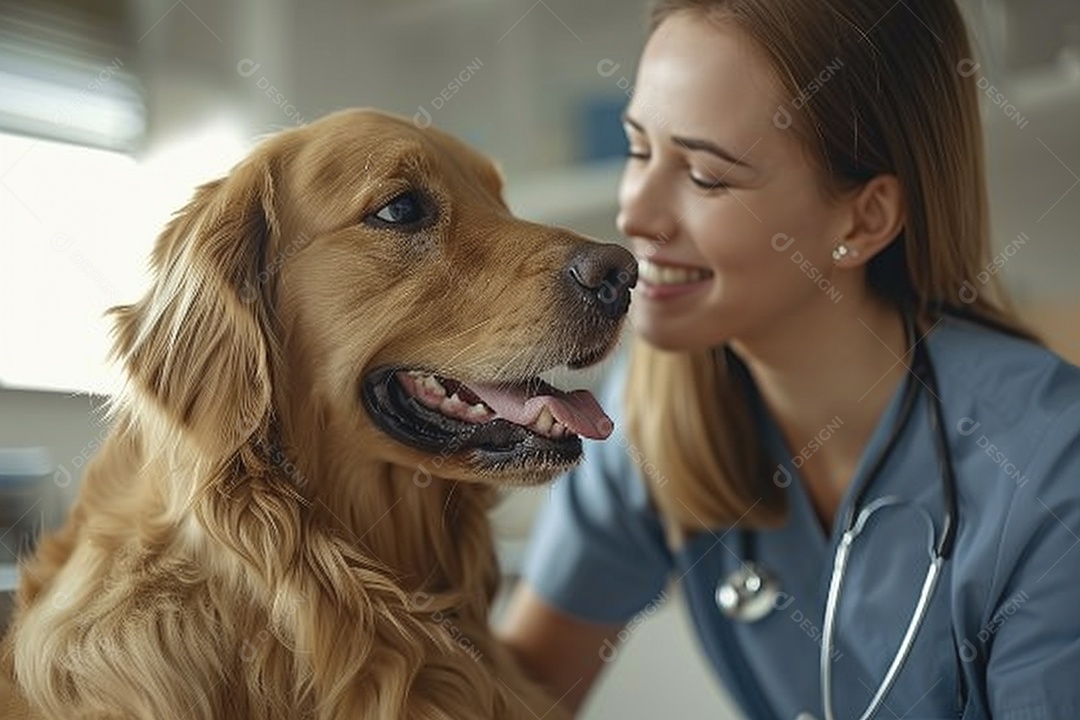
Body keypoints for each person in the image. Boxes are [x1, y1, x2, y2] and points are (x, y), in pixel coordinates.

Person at [497, 1, 1080, 718]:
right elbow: (509, 701)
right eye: (639, 149)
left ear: (863, 218)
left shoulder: (1051, 466)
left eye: (707, 176)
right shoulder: (649, 412)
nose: (635, 216)